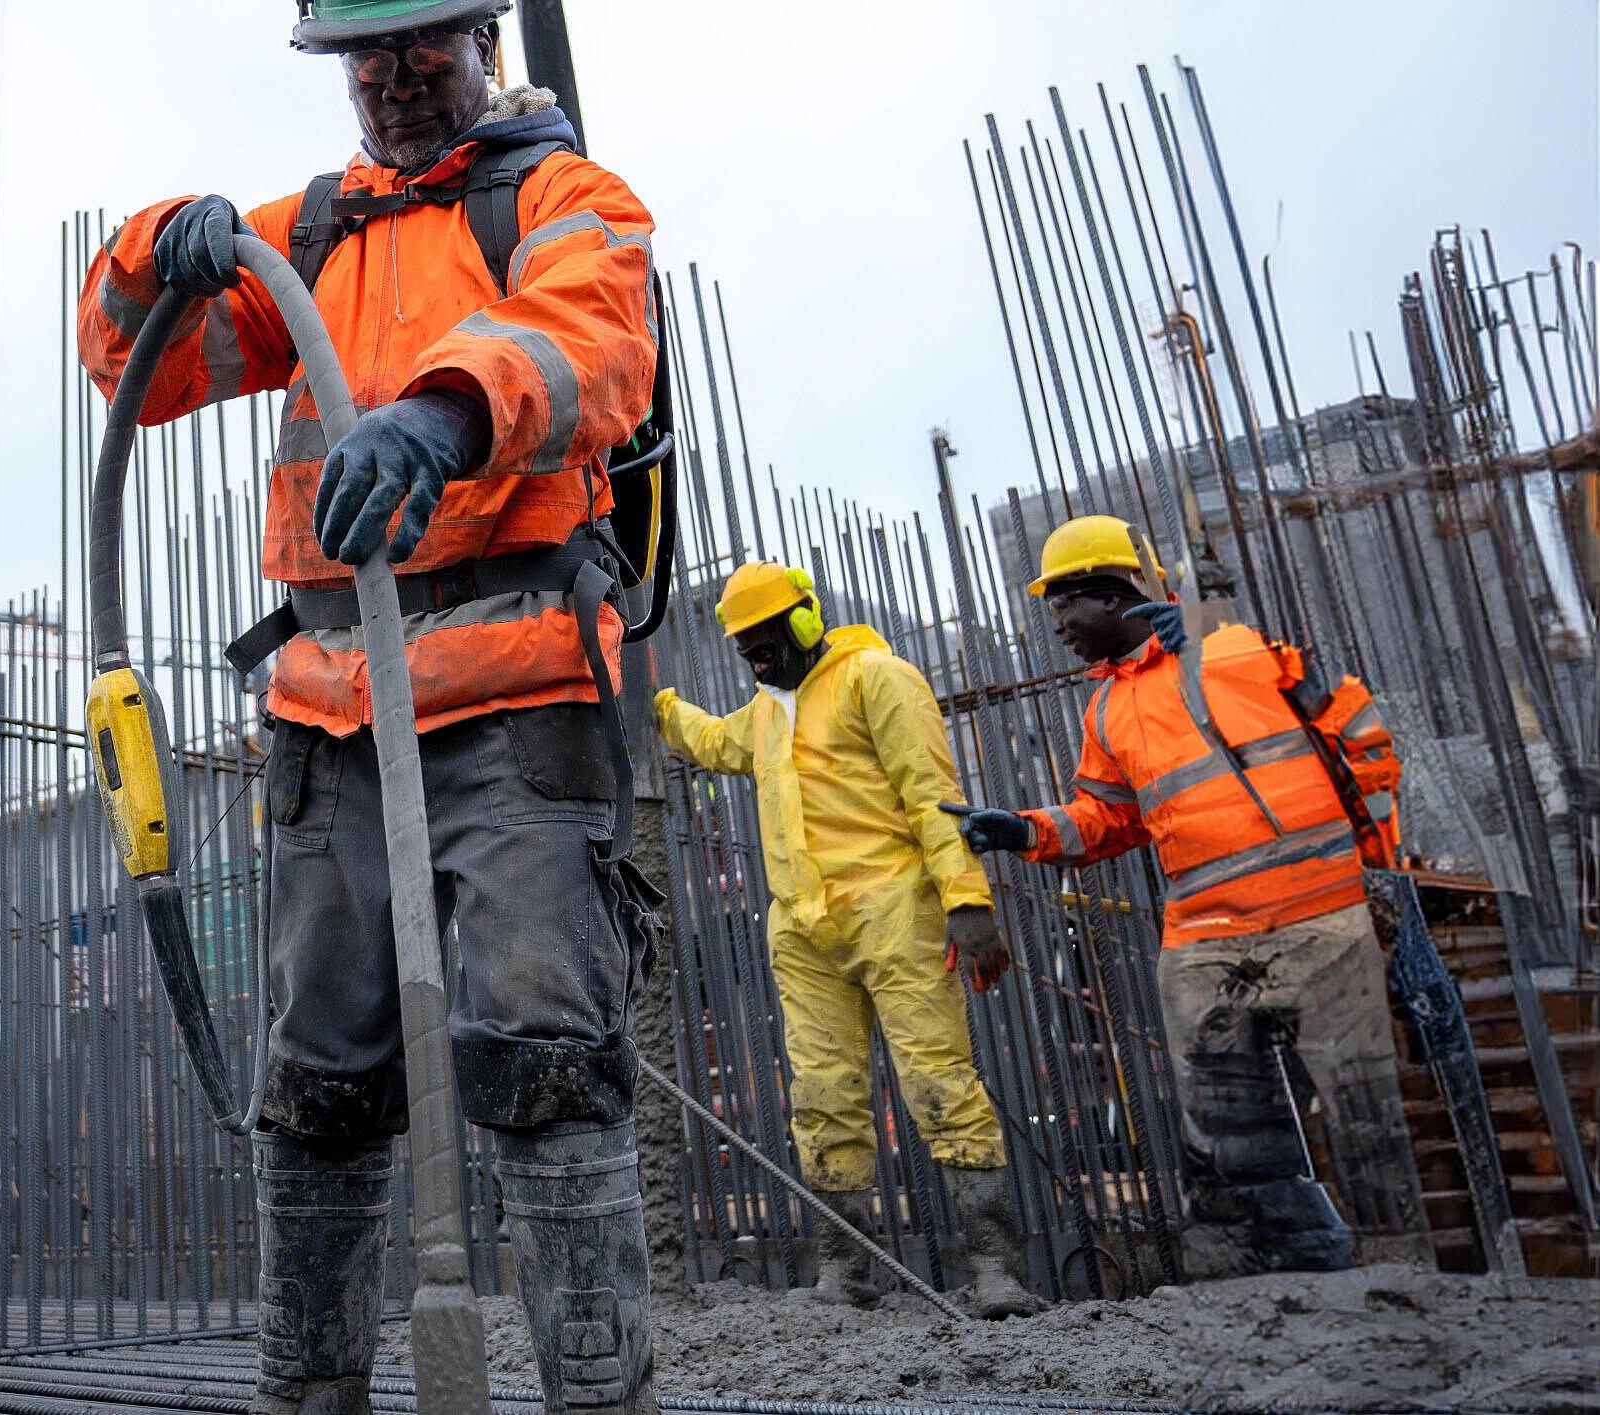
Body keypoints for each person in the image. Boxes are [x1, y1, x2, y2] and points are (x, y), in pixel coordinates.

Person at [76, 2, 663, 1409]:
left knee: (544, 1046)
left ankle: (596, 1387)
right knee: (319, 1069)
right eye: (369, 60)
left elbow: (588, 337)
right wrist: (158, 247)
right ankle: (311, 1380)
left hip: (517, 701)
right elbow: (137, 366)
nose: (396, 82)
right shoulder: (315, 232)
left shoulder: (562, 197)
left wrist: (446, 413)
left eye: (422, 52)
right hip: (331, 716)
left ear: (481, 46)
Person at [944, 514, 1427, 1274]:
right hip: (1204, 934)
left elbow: (1356, 722)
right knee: (1229, 1122)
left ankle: (1403, 1276)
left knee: (1361, 1104)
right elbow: (1108, 819)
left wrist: (1380, 864)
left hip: (1317, 913)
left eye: (1066, 603)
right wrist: (1025, 830)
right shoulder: (1106, 707)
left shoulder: (1229, 648)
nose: (1057, 625)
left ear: (1118, 594)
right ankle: (1292, 1260)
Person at [655, 562, 1043, 1319]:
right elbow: (713, 741)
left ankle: (996, 1268)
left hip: (894, 909)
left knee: (939, 1083)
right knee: (822, 1098)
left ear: (805, 621)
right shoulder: (768, 712)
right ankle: (845, 1269)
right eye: (745, 648)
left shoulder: (877, 678)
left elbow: (933, 797)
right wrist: (656, 703)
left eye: (766, 642)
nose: (756, 659)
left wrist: (967, 902)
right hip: (804, 929)